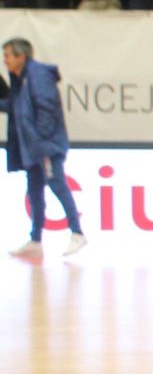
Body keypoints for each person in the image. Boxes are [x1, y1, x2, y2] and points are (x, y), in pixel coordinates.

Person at [4, 40, 85, 258]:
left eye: (8, 55)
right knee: (34, 191)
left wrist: (43, 142)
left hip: (45, 145)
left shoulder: (37, 75)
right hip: (31, 147)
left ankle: (77, 233)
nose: (5, 60)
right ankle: (35, 240)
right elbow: (16, 107)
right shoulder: (20, 79)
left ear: (21, 57)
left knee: (57, 185)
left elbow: (46, 107)